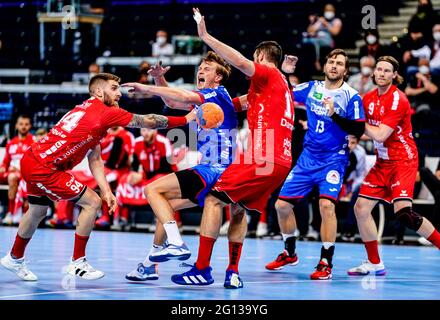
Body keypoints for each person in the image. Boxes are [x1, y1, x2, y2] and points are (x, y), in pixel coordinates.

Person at [0, 73, 192, 281]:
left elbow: (95, 158)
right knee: (92, 202)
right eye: (114, 88)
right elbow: (149, 121)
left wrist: (108, 191)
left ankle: (15, 257)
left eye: (119, 88)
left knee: (37, 210)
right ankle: (77, 262)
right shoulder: (106, 112)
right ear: (99, 91)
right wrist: (187, 119)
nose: (119, 93)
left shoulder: (85, 108)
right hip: (44, 167)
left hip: (34, 159)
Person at [169, 8, 295, 288]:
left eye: (255, 59)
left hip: (264, 154)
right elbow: (232, 106)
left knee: (214, 200)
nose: (252, 63)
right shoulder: (276, 87)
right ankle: (233, 272)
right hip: (279, 160)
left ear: (261, 57)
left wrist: (205, 35)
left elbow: (237, 61)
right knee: (237, 209)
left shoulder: (268, 75)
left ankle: (201, 268)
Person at [122, 51, 243, 286]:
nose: (201, 70)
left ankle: (176, 243)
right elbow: (173, 101)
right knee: (165, 209)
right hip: (215, 171)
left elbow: (181, 95)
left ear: (218, 77)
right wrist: (159, 78)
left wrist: (147, 88)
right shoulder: (208, 102)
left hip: (213, 170)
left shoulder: (215, 94)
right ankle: (149, 266)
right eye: (200, 66)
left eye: (207, 68)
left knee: (152, 190)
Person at [266, 49, 365, 280]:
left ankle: (325, 262)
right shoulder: (312, 88)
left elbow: (358, 130)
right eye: (331, 62)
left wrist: (334, 115)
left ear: (345, 70)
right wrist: (284, 72)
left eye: (339, 63)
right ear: (325, 66)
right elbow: (284, 94)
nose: (334, 66)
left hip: (334, 158)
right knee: (281, 205)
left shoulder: (352, 96)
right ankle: (289, 253)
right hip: (308, 157)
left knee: (326, 206)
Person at [347, 56, 440, 276]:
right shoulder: (367, 98)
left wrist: (357, 124)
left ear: (393, 75)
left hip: (403, 160)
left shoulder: (399, 99)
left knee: (404, 213)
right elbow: (358, 128)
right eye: (378, 69)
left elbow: (379, 134)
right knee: (360, 208)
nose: (381, 73)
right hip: (382, 162)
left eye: (386, 70)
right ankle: (375, 263)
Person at [0, 115, 34, 226]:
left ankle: (17, 213)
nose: (23, 127)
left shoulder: (33, 142)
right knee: (12, 177)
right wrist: (3, 167)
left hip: (27, 174)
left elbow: (35, 162)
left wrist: (21, 170)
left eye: (26, 124)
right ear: (16, 125)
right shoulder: (11, 143)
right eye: (21, 124)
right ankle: (10, 212)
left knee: (15, 178)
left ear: (30, 126)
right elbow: (5, 162)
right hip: (12, 173)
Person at [302, 3, 342, 71]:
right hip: (318, 37)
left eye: (330, 10)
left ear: (333, 11)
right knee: (305, 40)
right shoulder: (321, 20)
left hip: (328, 40)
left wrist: (326, 24)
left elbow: (335, 32)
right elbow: (310, 30)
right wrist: (313, 22)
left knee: (315, 41)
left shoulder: (337, 21)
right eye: (327, 10)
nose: (328, 11)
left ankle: (316, 61)